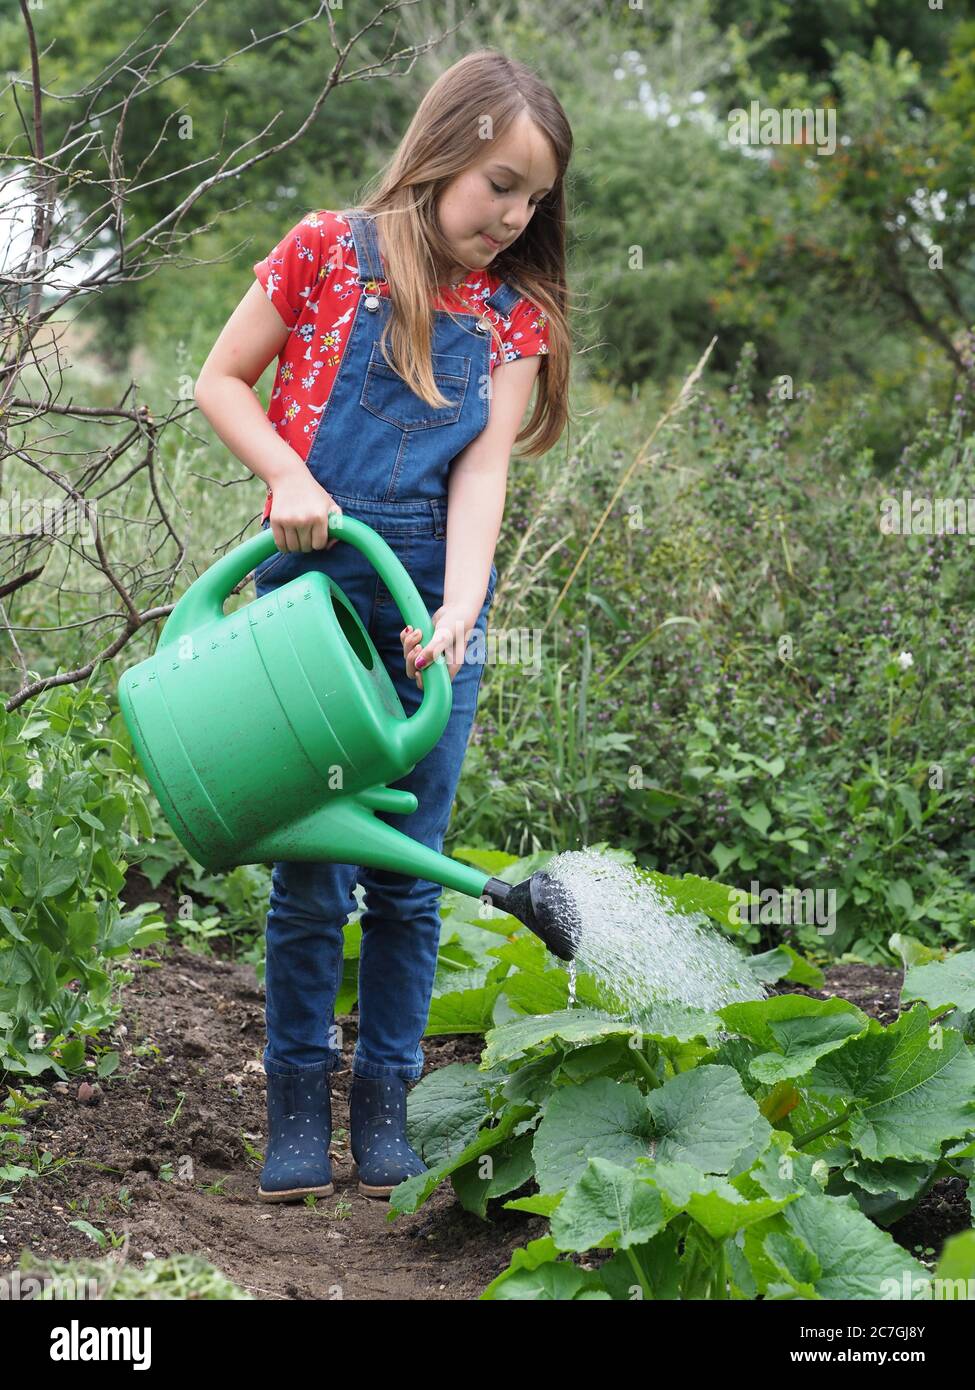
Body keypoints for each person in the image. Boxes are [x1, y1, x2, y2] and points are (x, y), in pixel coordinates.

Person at [193, 48, 571, 1202]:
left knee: (410, 876)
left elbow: (483, 474)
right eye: (501, 182)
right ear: (446, 147)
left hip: (427, 615)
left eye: (537, 200)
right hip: (305, 602)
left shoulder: (512, 319)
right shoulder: (323, 250)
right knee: (314, 871)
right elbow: (220, 380)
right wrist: (288, 480)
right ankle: (297, 1105)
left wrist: (461, 606)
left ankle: (387, 1107)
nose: (514, 214)